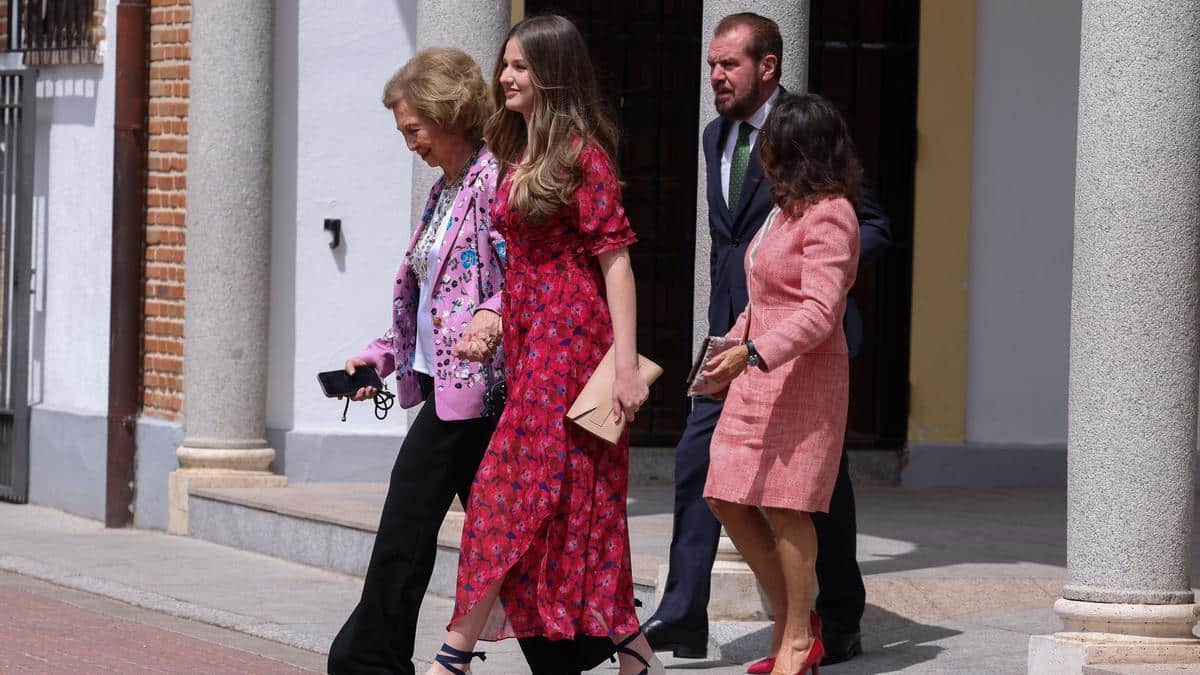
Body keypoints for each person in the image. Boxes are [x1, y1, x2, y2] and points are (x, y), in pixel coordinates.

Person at [642, 12, 891, 668]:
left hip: (801, 359)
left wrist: (823, 275)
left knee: (806, 499)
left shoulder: (817, 168)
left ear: (768, 66)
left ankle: (820, 623)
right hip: (737, 344)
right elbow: (735, 253)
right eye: (712, 67)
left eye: (729, 65)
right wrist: (734, 343)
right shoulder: (717, 140)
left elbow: (865, 231)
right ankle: (690, 612)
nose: (717, 78)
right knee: (714, 478)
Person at [423, 14, 663, 675]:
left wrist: (625, 367)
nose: (505, 75)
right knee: (575, 503)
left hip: (573, 342)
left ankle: (454, 655)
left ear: (553, 73)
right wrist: (496, 316)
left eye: (521, 66)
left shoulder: (583, 156)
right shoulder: (517, 146)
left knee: (508, 492)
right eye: (505, 63)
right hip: (529, 341)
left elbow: (616, 263)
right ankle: (634, 650)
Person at [326, 47, 507, 675]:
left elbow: (529, 280)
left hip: (477, 392)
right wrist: (378, 356)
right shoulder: (445, 190)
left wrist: (495, 315)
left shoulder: (493, 183)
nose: (410, 144)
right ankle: (600, 644)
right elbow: (432, 299)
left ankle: (367, 661)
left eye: (414, 129)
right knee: (515, 540)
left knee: (406, 522)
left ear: (448, 114)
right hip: (442, 385)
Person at [697, 91, 861, 675]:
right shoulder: (783, 208)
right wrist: (724, 352)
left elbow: (820, 311)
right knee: (723, 493)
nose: (762, 149)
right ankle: (799, 621)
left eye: (772, 141)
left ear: (799, 148)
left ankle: (794, 639)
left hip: (804, 378)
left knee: (788, 506)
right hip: (756, 371)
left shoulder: (832, 214)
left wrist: (751, 352)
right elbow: (762, 298)